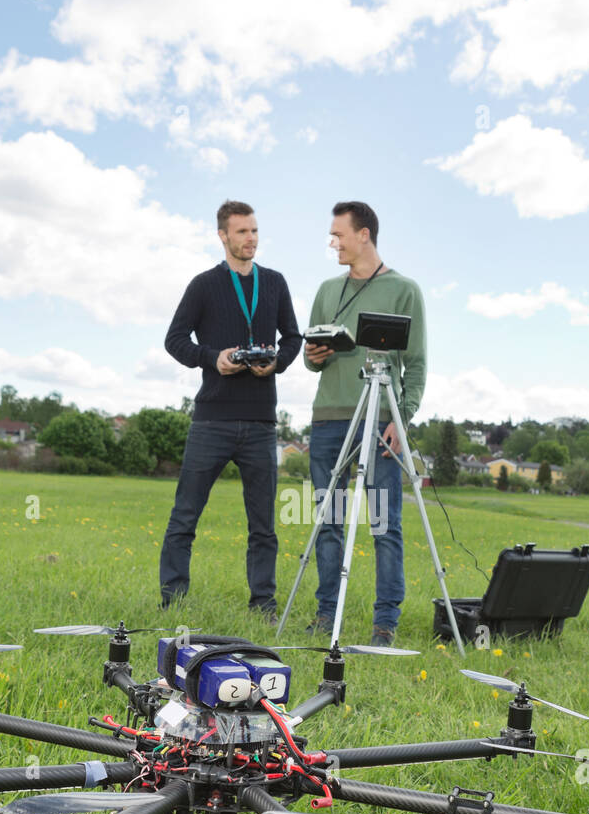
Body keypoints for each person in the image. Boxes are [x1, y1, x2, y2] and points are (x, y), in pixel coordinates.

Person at [160, 200, 302, 616]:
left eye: (255, 231)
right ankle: (172, 599)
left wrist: (276, 362)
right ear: (223, 235)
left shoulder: (274, 282)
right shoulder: (204, 285)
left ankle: (263, 603)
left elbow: (293, 337)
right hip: (212, 419)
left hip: (261, 421)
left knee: (263, 526)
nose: (250, 239)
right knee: (185, 514)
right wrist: (212, 358)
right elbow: (174, 339)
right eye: (242, 232)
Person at [303, 201, 426, 646]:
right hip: (328, 420)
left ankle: (385, 623)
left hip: (379, 420)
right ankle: (325, 615)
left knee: (383, 523)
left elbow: (416, 363)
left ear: (365, 235)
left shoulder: (404, 290)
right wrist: (315, 355)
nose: (333, 242)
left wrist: (402, 419)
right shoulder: (325, 290)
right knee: (329, 521)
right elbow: (309, 359)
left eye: (339, 234)